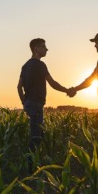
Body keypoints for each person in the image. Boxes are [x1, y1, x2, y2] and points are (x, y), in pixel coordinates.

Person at [17, 38, 72, 172]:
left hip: (30, 103)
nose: (46, 49)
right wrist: (67, 90)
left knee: (39, 134)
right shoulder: (40, 65)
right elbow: (52, 83)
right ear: (36, 48)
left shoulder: (25, 66)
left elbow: (19, 87)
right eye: (43, 47)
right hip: (36, 104)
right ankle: (31, 169)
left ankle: (35, 163)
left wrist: (24, 102)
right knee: (36, 137)